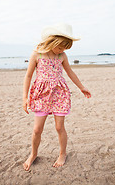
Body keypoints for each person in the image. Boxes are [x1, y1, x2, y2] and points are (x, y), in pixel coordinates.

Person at [23, 23, 91, 171]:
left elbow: (70, 72)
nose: (62, 50)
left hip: (59, 93)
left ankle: (62, 154)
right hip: (41, 95)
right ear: (52, 41)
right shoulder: (37, 54)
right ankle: (33, 154)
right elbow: (28, 76)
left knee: (59, 127)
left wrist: (81, 87)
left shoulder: (62, 55)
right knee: (36, 129)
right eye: (61, 47)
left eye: (65, 48)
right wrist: (25, 97)